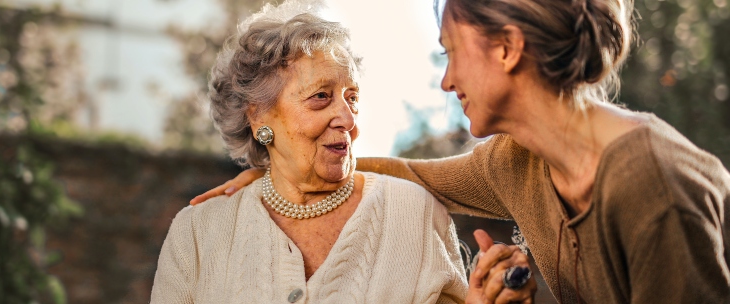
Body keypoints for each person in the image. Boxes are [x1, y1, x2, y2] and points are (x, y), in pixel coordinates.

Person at [191, 0, 730, 302]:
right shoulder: (516, 161)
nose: (447, 81)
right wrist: (283, 172)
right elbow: (413, 175)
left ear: (507, 48)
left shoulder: (652, 184)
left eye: (451, 53)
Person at [152, 1, 537, 303]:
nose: (347, 118)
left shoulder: (414, 212)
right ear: (258, 116)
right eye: (321, 97)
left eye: (352, 98)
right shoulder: (198, 233)